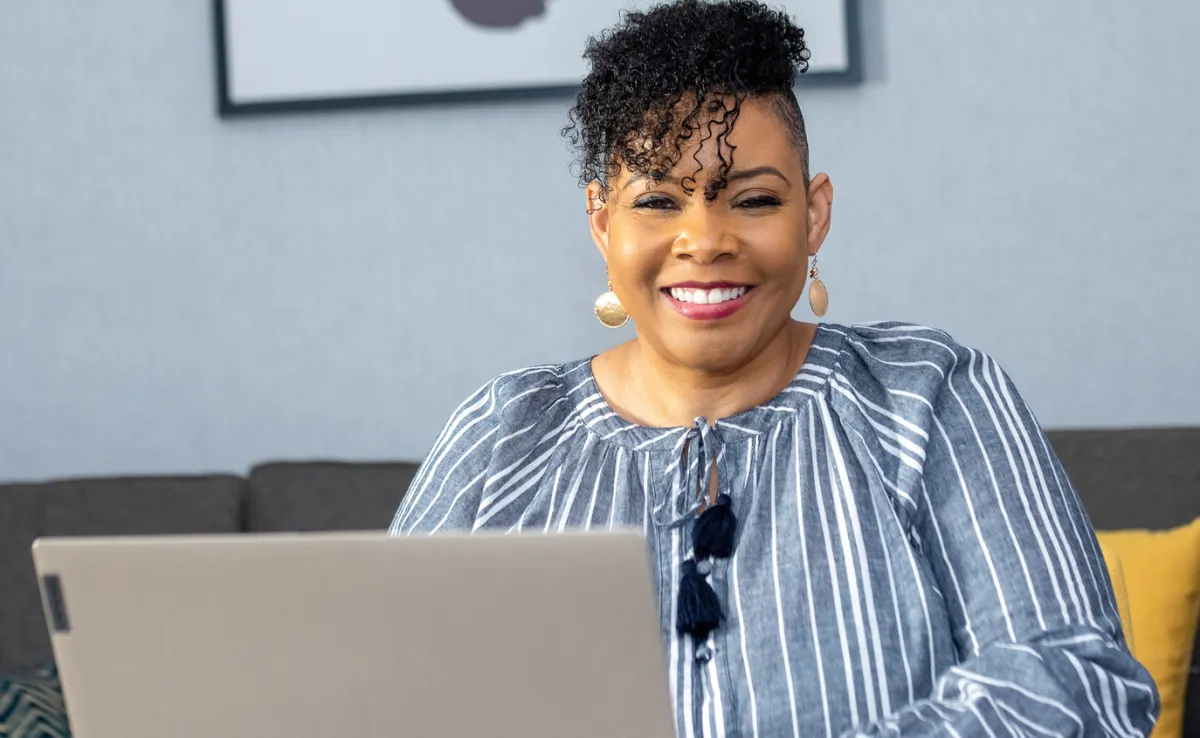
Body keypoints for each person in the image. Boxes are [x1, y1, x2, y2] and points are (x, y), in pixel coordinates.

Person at [390, 1, 1159, 735]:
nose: (705, 241)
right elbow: (380, 693)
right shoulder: (504, 435)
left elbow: (1078, 682)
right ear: (602, 223)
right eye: (657, 202)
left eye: (753, 200)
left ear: (813, 214)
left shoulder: (930, 397)